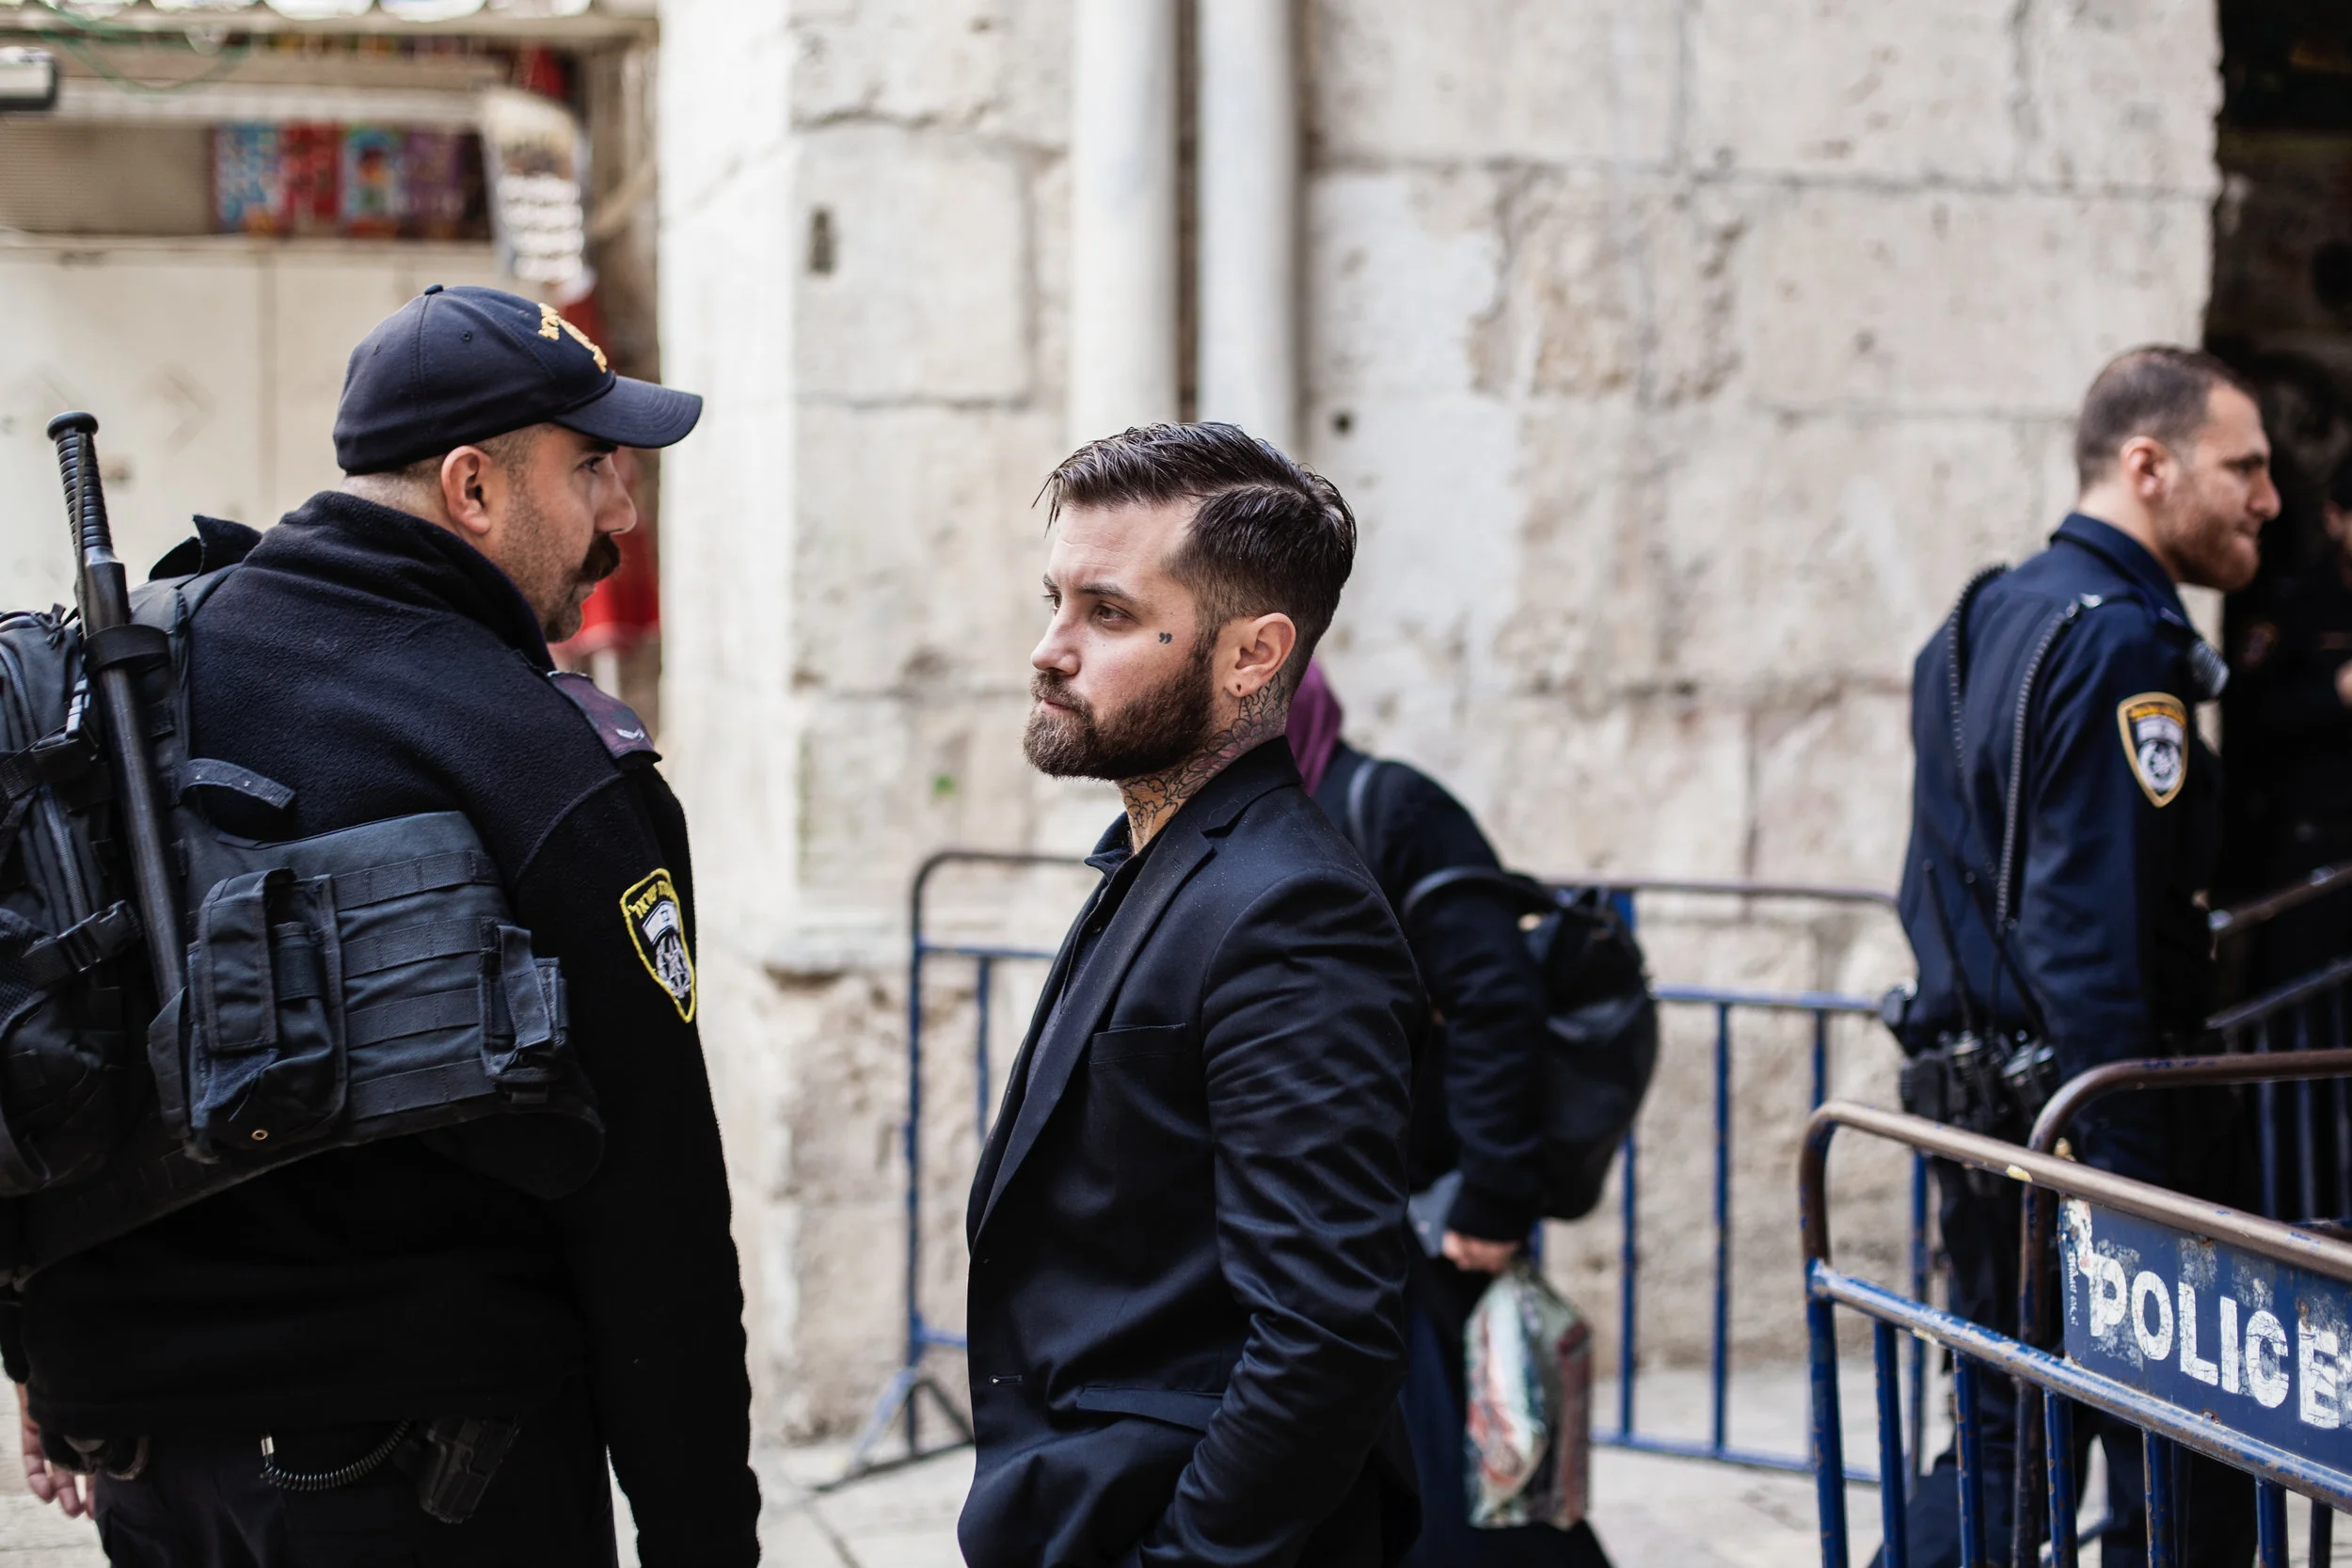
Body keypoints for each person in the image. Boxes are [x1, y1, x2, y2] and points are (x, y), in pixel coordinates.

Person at [6, 285, 757, 1565]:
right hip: (426, 1485)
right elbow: (652, 1207)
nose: (622, 515)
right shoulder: (538, 753)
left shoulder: (131, 676)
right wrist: (705, 1539)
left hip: (148, 1473)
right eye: (592, 467)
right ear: (473, 486)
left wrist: (41, 1340)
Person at [961, 423, 1423, 1568]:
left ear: (1252, 655)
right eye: (1055, 601)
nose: (1049, 649)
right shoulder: (1167, 858)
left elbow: (1326, 1330)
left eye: (1108, 614)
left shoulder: (1291, 911)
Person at [1891, 345, 2277, 1567]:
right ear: (2147, 466)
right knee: (2187, 1464)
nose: (2268, 499)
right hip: (2093, 1117)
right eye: (2244, 467)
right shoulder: (2120, 644)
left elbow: (1937, 887)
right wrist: (2131, 1178)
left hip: (1990, 1106)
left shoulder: (1982, 615)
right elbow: (2084, 927)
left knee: (2002, 1439)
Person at [1287, 663, 1613, 1568]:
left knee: (1469, 1482)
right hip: (1332, 1218)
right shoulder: (1254, 828)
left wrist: (1494, 1195)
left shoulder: (1390, 808)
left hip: (1425, 1216)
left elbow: (1496, 1001)